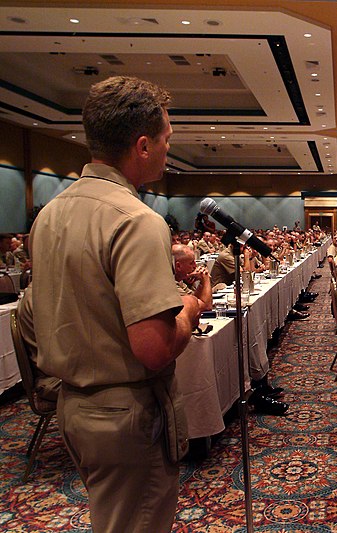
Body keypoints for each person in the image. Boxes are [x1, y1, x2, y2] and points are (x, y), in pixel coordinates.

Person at [30, 76, 202, 533]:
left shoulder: (51, 212)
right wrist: (189, 308)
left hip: (74, 406)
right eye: (166, 139)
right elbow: (154, 347)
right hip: (125, 415)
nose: (170, 147)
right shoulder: (136, 220)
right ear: (142, 146)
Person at [172, 244, 212, 311]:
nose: (195, 266)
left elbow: (194, 299)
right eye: (191, 263)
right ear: (178, 266)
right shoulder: (171, 284)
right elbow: (205, 307)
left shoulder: (180, 280)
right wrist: (206, 278)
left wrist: (201, 282)